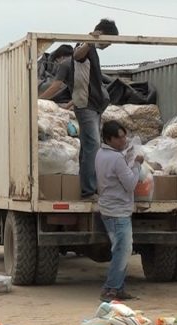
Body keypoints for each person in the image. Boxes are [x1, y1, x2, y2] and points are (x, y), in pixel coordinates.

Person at [57, 19, 118, 199]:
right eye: (109, 40)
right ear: (100, 33)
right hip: (86, 106)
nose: (109, 45)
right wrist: (91, 40)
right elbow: (77, 55)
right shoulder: (85, 45)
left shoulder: (92, 50)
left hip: (94, 105)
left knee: (88, 148)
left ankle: (90, 187)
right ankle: (89, 190)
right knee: (93, 147)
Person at [96, 120, 142, 301]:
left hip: (109, 208)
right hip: (118, 212)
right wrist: (137, 165)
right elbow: (130, 184)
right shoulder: (116, 158)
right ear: (109, 139)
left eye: (125, 136)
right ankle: (111, 289)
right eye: (119, 138)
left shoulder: (100, 154)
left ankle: (118, 287)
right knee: (122, 251)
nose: (124, 140)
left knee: (121, 249)